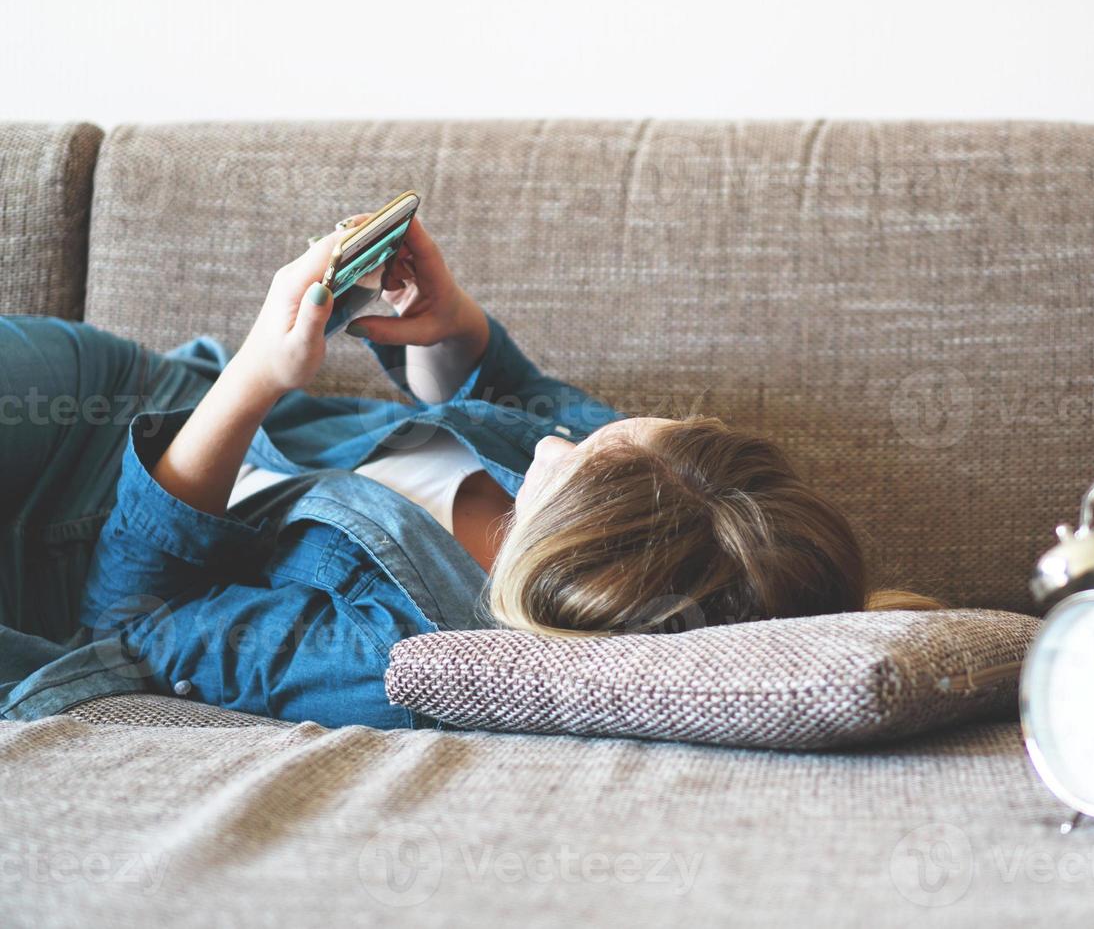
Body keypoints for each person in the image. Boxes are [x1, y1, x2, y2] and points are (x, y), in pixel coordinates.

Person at [0, 216, 939, 729]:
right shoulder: (672, 501)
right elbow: (525, 396)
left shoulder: (397, 656)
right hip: (124, 391)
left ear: (578, 558)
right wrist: (453, 328)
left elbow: (136, 621)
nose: (555, 440)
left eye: (582, 460)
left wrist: (249, 382)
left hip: (54, 555)